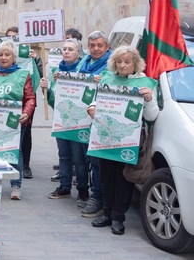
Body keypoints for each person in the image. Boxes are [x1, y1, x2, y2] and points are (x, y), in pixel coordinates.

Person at [89, 46, 158, 235]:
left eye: (127, 61)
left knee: (124, 179)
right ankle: (107, 213)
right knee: (106, 178)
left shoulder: (146, 82)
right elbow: (97, 101)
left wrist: (150, 99)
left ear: (135, 63)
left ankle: (119, 218)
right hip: (106, 137)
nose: (122, 65)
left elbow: (152, 116)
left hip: (130, 139)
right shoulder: (107, 79)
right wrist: (92, 107)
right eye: (119, 61)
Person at [0, 40, 36, 200]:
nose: (4, 58)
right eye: (1, 55)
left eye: (7, 54)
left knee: (14, 151)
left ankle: (16, 186)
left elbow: (30, 98)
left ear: (14, 57)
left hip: (15, 121)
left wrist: (27, 112)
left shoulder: (23, 75)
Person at [40, 38, 90, 204]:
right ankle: (64, 187)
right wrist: (45, 89)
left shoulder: (84, 71)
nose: (66, 52)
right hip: (61, 120)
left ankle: (83, 190)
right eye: (64, 49)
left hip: (78, 122)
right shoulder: (56, 72)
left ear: (78, 54)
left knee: (79, 158)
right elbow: (53, 101)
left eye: (71, 49)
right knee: (64, 156)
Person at [78, 30, 112, 218]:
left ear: (107, 47)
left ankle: (98, 197)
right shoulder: (84, 62)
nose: (96, 49)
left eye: (100, 45)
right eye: (92, 45)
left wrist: (105, 81)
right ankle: (91, 193)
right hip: (82, 118)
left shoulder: (112, 65)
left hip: (104, 121)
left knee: (98, 162)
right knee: (87, 159)